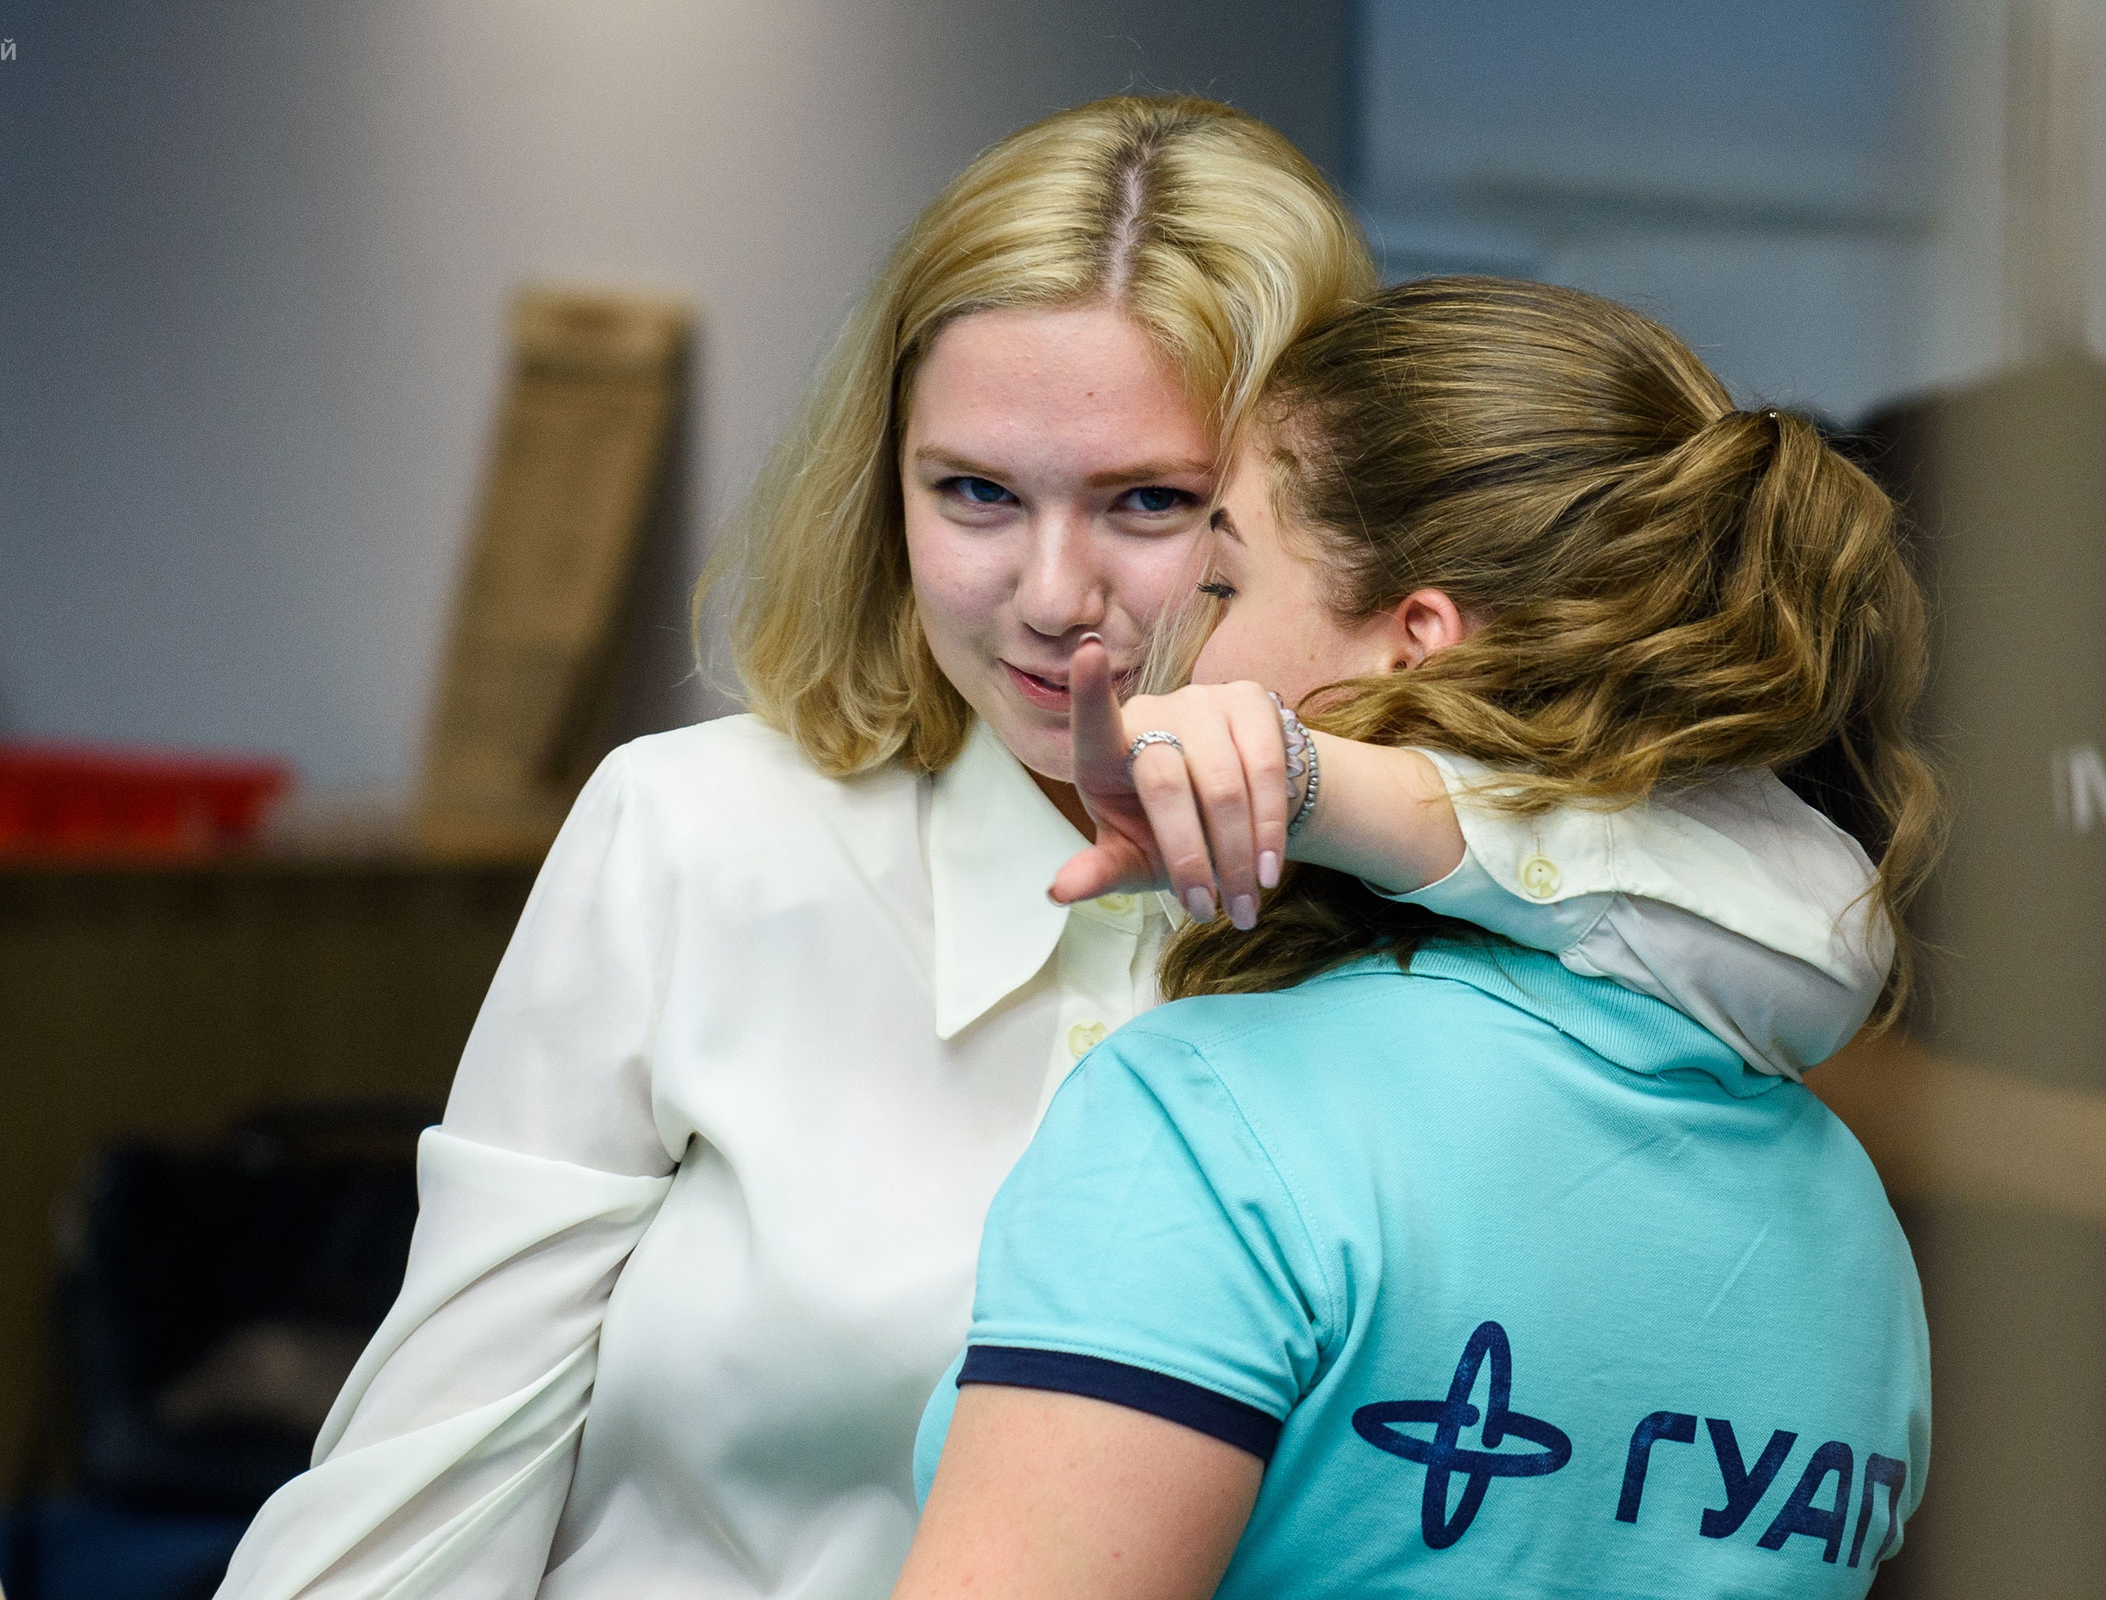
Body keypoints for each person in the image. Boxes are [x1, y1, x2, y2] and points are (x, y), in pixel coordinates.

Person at [217, 103, 1887, 1600]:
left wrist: (1342, 792)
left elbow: (1811, 936)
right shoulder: (697, 832)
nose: (1051, 596)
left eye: (1153, 505)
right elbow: (421, 1492)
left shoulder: (1433, 935)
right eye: (974, 494)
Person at [897, 277, 1938, 1600]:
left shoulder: (1217, 1123)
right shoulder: (1854, 1234)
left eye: (1223, 580)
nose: (1182, 651)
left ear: (1416, 648)